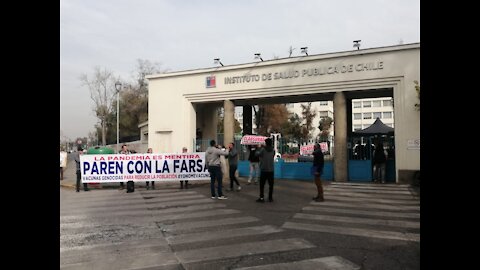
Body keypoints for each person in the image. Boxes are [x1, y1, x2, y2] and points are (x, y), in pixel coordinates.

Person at [255, 138, 275, 202]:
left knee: (262, 185)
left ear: (266, 143)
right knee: (271, 185)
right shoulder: (273, 150)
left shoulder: (263, 150)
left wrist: (258, 148)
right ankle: (270, 197)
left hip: (264, 169)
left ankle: (261, 197)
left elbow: (257, 154)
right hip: (271, 170)